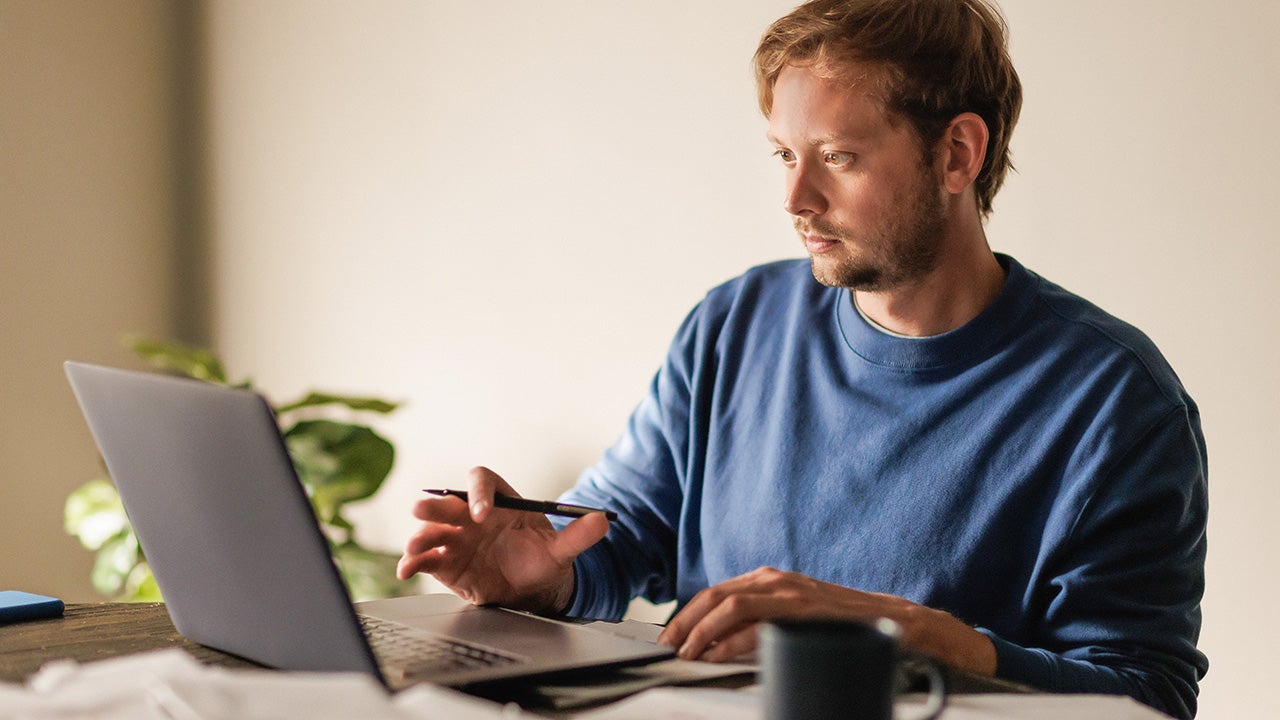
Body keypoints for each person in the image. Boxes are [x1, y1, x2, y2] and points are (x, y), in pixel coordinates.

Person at [397, 1, 1209, 717]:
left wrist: (915, 637)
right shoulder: (735, 321)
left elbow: (1143, 697)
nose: (795, 201)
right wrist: (543, 573)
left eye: (838, 158)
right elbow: (630, 533)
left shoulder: (1114, 401)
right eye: (785, 156)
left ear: (958, 154)